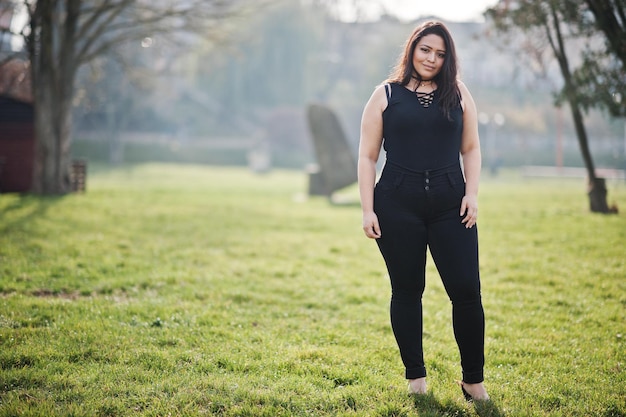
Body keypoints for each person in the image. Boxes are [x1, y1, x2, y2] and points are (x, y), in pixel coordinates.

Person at [357, 21, 489, 401]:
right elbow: (367, 157)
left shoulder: (459, 93)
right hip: (397, 205)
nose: (432, 58)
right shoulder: (384, 95)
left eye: (441, 53)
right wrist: (368, 210)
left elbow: (472, 148)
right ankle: (416, 377)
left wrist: (472, 193)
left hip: (453, 205)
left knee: (466, 291)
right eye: (426, 50)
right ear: (412, 49)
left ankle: (473, 381)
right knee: (408, 290)